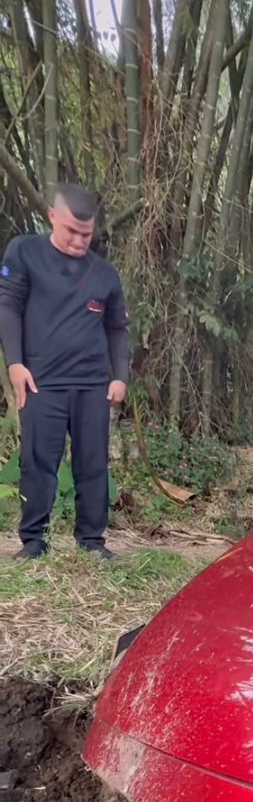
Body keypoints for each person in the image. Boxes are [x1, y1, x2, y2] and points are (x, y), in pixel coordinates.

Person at [0, 184, 129, 560]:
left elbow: (117, 328)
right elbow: (8, 306)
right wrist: (15, 364)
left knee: (93, 463)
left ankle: (92, 541)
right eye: (71, 231)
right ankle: (34, 541)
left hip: (92, 384)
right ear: (52, 217)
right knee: (38, 461)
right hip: (41, 381)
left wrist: (119, 375)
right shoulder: (24, 252)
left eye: (86, 234)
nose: (78, 241)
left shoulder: (104, 273)